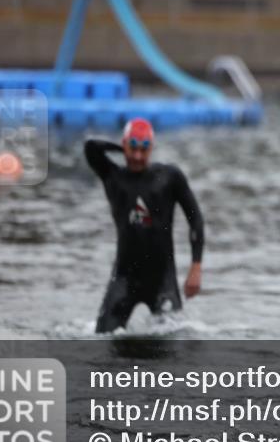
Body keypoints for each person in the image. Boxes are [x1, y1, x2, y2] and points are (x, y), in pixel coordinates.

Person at [84, 118, 204, 333]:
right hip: (124, 278)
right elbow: (90, 147)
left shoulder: (169, 177)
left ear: (152, 148)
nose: (138, 156)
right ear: (124, 145)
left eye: (144, 149)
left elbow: (195, 218)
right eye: (133, 148)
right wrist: (123, 147)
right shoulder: (113, 176)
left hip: (162, 280)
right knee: (102, 339)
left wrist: (196, 266)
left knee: (174, 344)